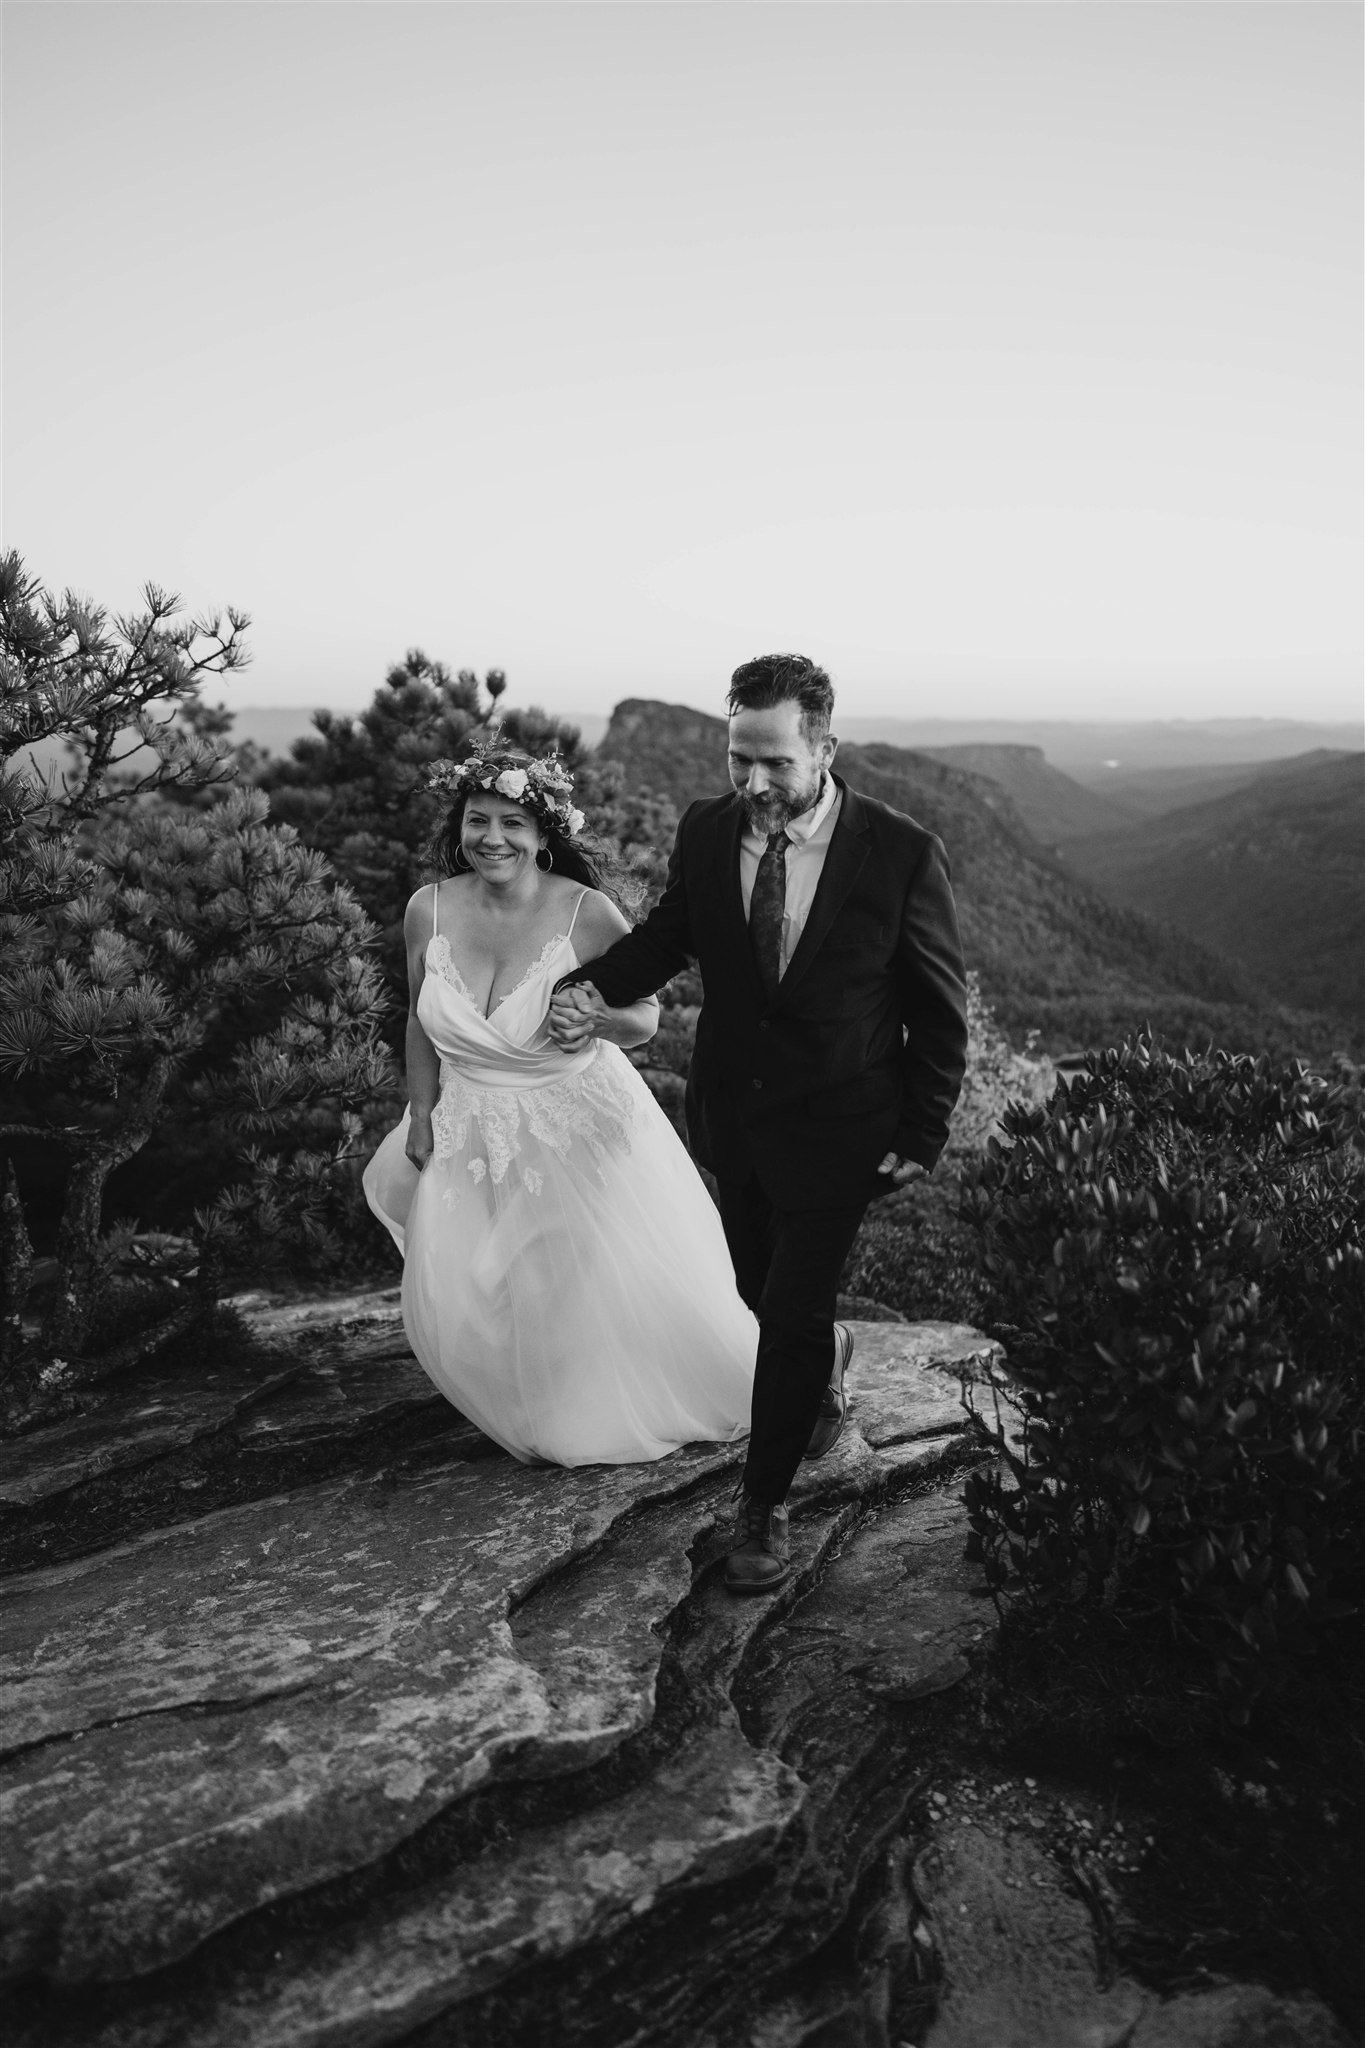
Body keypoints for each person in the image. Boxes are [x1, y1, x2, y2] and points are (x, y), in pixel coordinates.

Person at [549, 654, 968, 1593]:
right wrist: (580, 992)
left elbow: (937, 1012)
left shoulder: (900, 852)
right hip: (732, 1119)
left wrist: (924, 1128)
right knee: (751, 1292)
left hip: (843, 1124)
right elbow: (666, 937)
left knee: (785, 1314)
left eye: (775, 762)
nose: (753, 783)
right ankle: (828, 1363)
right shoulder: (706, 830)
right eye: (740, 758)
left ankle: (762, 1510)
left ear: (825, 747)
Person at [363, 742, 757, 1467]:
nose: (491, 838)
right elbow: (419, 1018)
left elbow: (645, 1016)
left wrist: (599, 1019)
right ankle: (521, 1397)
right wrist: (420, 1111)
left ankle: (575, 1407)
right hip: (466, 1123)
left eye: (512, 824)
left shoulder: (586, 912)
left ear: (545, 836)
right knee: (470, 1286)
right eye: (476, 821)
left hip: (573, 1122)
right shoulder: (429, 909)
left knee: (564, 1281)